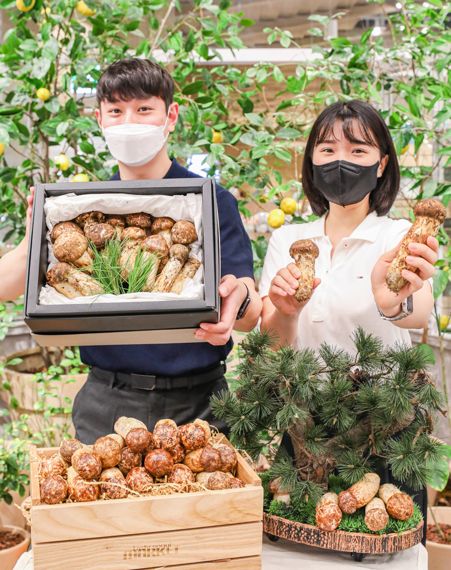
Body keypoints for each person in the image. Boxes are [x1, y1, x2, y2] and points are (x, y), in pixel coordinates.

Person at [0, 58, 262, 443]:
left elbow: (249, 312)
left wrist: (237, 300)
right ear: (100, 120)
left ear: (170, 116)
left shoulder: (210, 202)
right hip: (107, 400)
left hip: (200, 402)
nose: (129, 123)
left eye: (143, 110)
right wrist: (34, 234)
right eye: (116, 111)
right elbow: (7, 285)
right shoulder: (82, 210)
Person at [259, 100, 439, 541]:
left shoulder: (397, 236)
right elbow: (273, 344)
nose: (341, 161)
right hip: (304, 432)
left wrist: (390, 300)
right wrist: (287, 310)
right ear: (311, 162)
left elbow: (419, 310)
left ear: (381, 165)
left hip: (384, 431)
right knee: (301, 548)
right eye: (327, 150)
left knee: (383, 547)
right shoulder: (287, 241)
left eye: (358, 151)